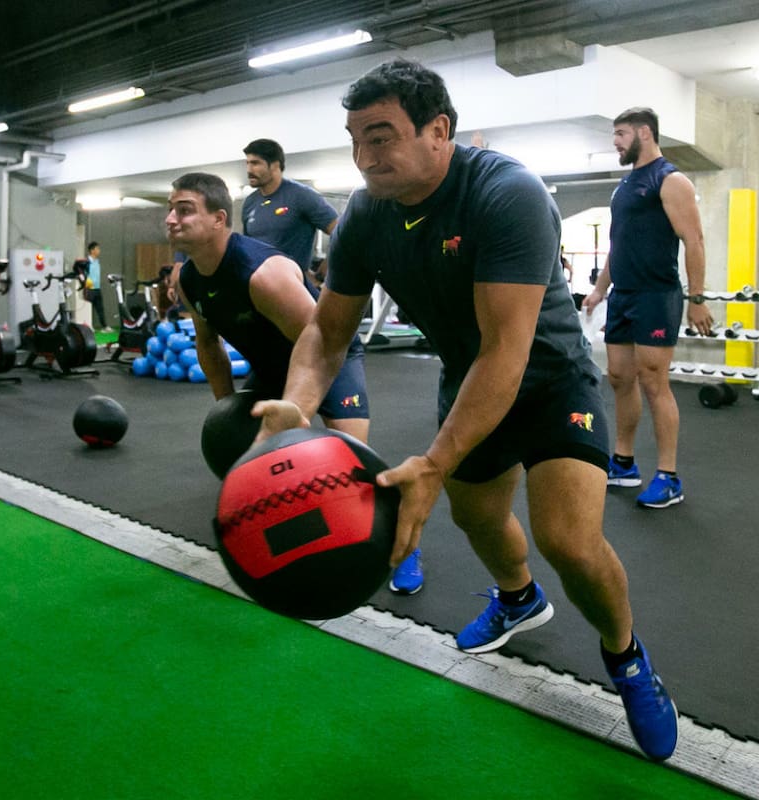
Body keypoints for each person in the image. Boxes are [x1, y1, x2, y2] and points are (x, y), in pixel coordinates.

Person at [254, 59, 678, 761]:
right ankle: (517, 597)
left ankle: (626, 655)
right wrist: (297, 409)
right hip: (467, 377)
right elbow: (327, 332)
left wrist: (433, 460)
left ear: (438, 130)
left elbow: (507, 352)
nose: (366, 156)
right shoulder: (364, 214)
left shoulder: (505, 192)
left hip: (547, 381)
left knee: (568, 540)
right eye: (357, 139)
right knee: (478, 517)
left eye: (382, 136)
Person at [166, 171, 423, 595]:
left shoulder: (262, 273)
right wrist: (228, 414)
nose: (172, 219)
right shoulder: (189, 280)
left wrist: (297, 409)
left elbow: (323, 341)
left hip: (331, 354)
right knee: (261, 460)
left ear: (219, 219)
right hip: (270, 364)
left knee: (355, 466)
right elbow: (208, 346)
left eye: (185, 209)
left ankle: (406, 545)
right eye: (170, 209)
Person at [582, 108, 712, 509]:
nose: (615, 142)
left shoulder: (670, 180)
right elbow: (617, 245)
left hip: (656, 295)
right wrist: (600, 290)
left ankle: (669, 476)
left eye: (620, 134)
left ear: (644, 133)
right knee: (620, 377)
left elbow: (694, 240)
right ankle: (623, 462)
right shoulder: (624, 187)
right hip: (623, 295)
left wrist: (697, 298)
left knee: (654, 381)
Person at [241, 138, 338, 272]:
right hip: (257, 282)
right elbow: (247, 246)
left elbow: (340, 232)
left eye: (255, 163)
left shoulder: (301, 195)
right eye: (247, 163)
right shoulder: (250, 202)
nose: (249, 170)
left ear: (275, 165)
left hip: (292, 284)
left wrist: (325, 269)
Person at [86, 241, 111, 331]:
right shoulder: (86, 261)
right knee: (88, 309)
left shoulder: (97, 261)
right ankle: (88, 326)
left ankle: (105, 326)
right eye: (97, 249)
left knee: (100, 308)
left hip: (97, 288)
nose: (99, 251)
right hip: (89, 289)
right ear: (92, 250)